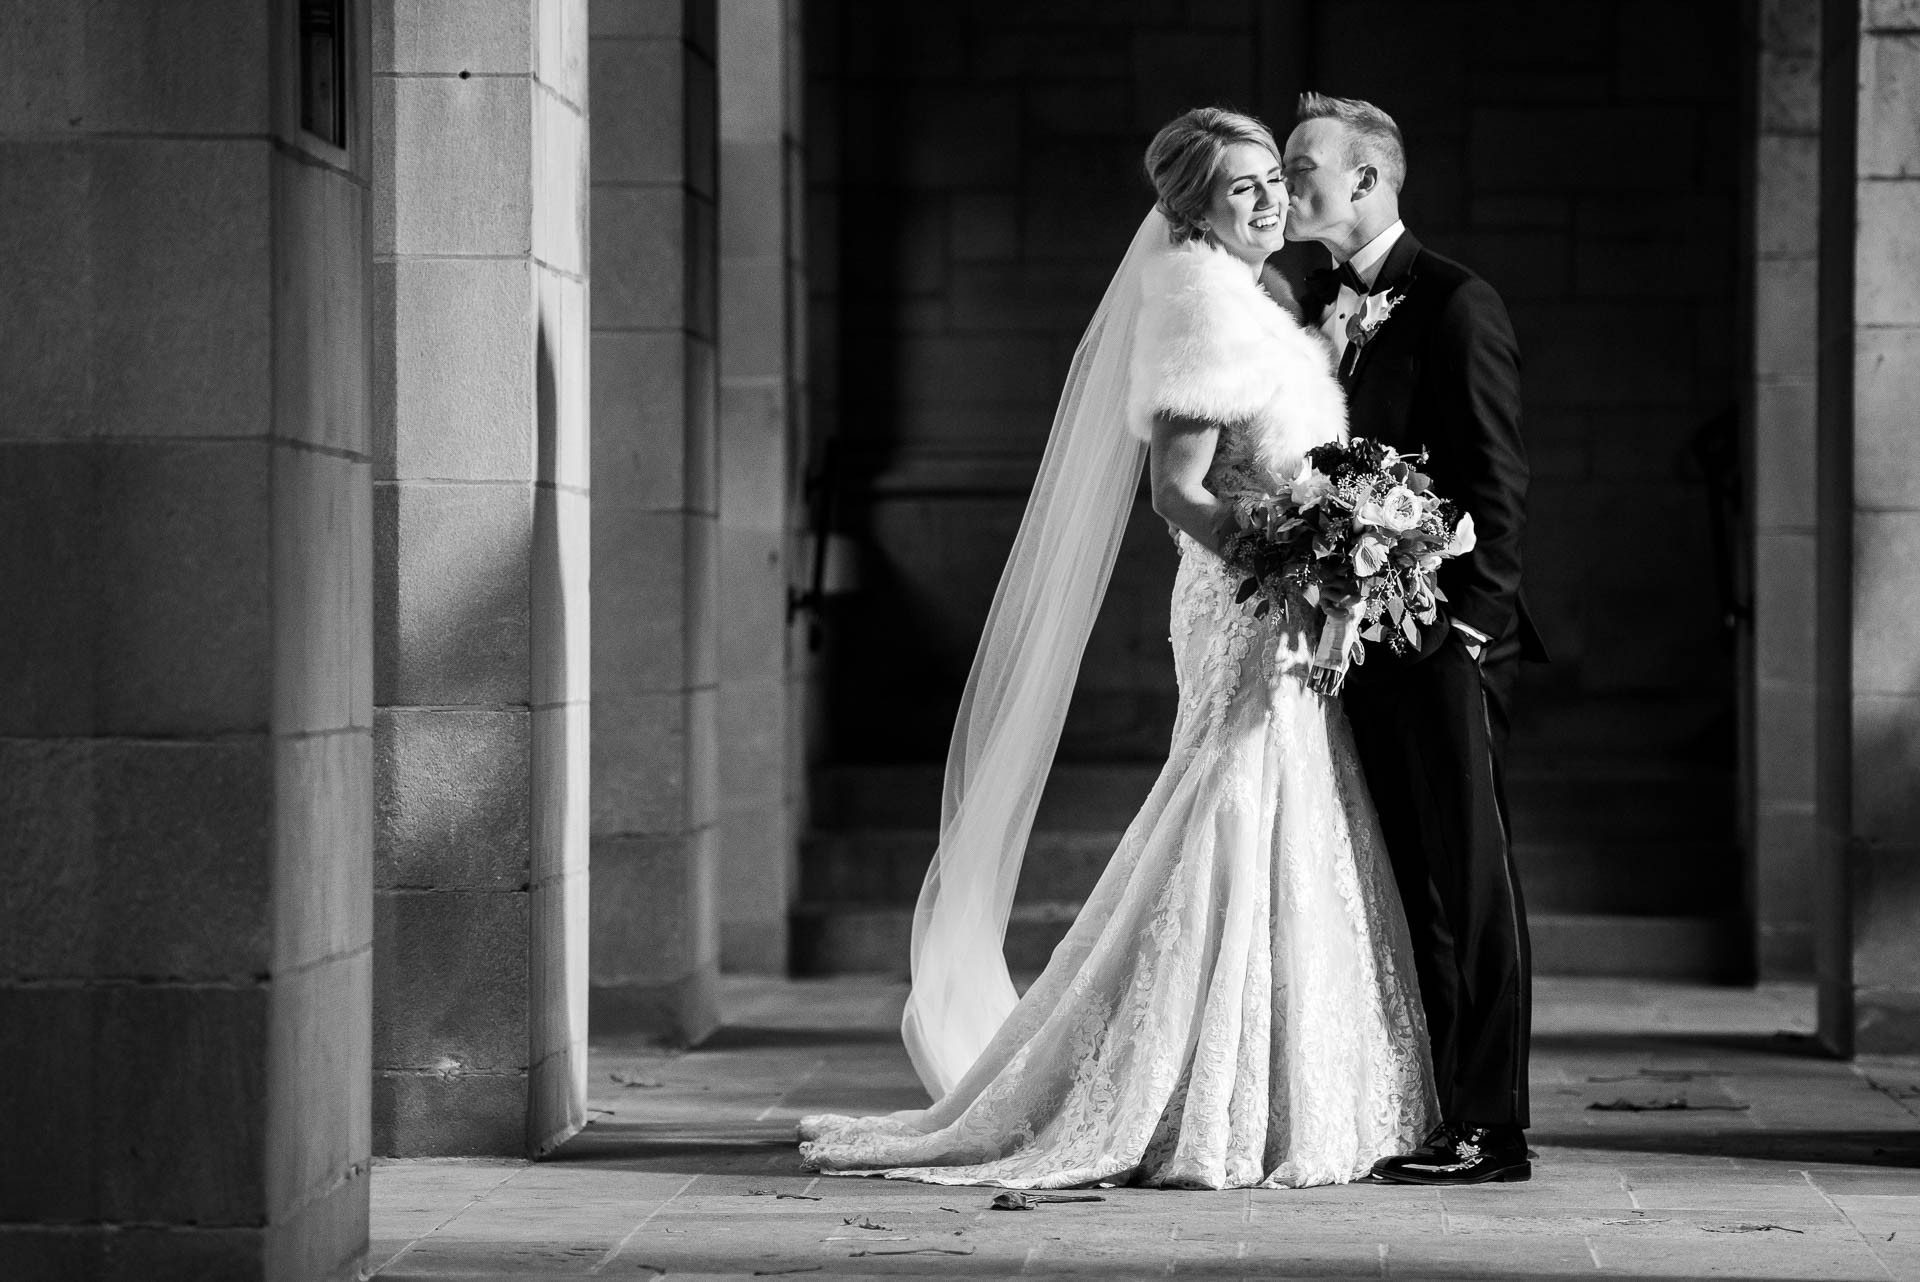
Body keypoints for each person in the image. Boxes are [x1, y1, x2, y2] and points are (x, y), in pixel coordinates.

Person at [796, 107, 1436, 1190]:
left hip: (1280, 593)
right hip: (1244, 598)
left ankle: (1268, 1083)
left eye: (1272, 180)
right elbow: (1177, 493)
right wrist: (1299, 562)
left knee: (1283, 803)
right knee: (1231, 799)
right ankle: (1178, 1082)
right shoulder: (1197, 303)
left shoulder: (1261, 300)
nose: (1269, 200)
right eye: (1241, 188)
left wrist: (1342, 544)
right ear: (1191, 206)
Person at [1281, 91, 1547, 1186]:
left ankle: (1494, 1124)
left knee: (1469, 884)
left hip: (1443, 642)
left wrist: (1470, 634)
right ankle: (1430, 1105)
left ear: (1370, 180)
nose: (1289, 185)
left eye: (1304, 167)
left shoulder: (1454, 303)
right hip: (1351, 647)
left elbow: (1495, 482)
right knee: (1401, 885)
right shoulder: (1307, 301)